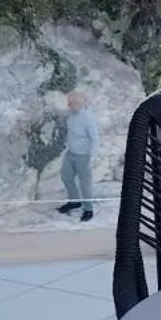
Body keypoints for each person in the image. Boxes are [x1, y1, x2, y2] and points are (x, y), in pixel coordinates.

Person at [58, 90, 99, 222]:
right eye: (68, 103)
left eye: (72, 103)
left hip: (83, 155)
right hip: (71, 153)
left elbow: (95, 138)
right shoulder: (70, 115)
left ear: (79, 104)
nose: (69, 105)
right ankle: (74, 201)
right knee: (66, 176)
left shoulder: (87, 118)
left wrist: (92, 157)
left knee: (84, 183)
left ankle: (88, 209)